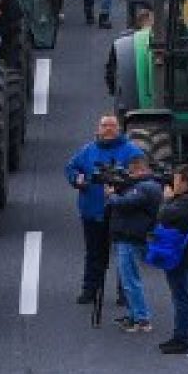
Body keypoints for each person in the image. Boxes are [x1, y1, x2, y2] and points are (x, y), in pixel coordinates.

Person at [64, 115, 143, 304]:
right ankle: (90, 290)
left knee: (124, 255)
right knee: (94, 254)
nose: (108, 129)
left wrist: (123, 183)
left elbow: (141, 175)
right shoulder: (88, 150)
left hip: (122, 212)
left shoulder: (131, 151)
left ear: (119, 129)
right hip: (93, 212)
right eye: (104, 125)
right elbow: (71, 168)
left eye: (112, 125)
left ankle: (125, 293)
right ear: (98, 129)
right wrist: (77, 179)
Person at [105, 154, 163, 332]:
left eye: (131, 171)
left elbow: (125, 203)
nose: (128, 175)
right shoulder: (146, 186)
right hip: (129, 236)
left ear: (141, 170)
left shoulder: (145, 187)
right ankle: (133, 315)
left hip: (130, 238)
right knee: (128, 280)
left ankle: (142, 319)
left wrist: (111, 195)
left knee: (130, 281)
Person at [155, 165, 188, 354]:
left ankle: (181, 339)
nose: (173, 183)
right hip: (187, 254)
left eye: (176, 180)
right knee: (181, 295)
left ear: (185, 183)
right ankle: (179, 336)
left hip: (180, 256)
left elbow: (163, 216)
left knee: (180, 297)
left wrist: (167, 200)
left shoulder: (186, 203)